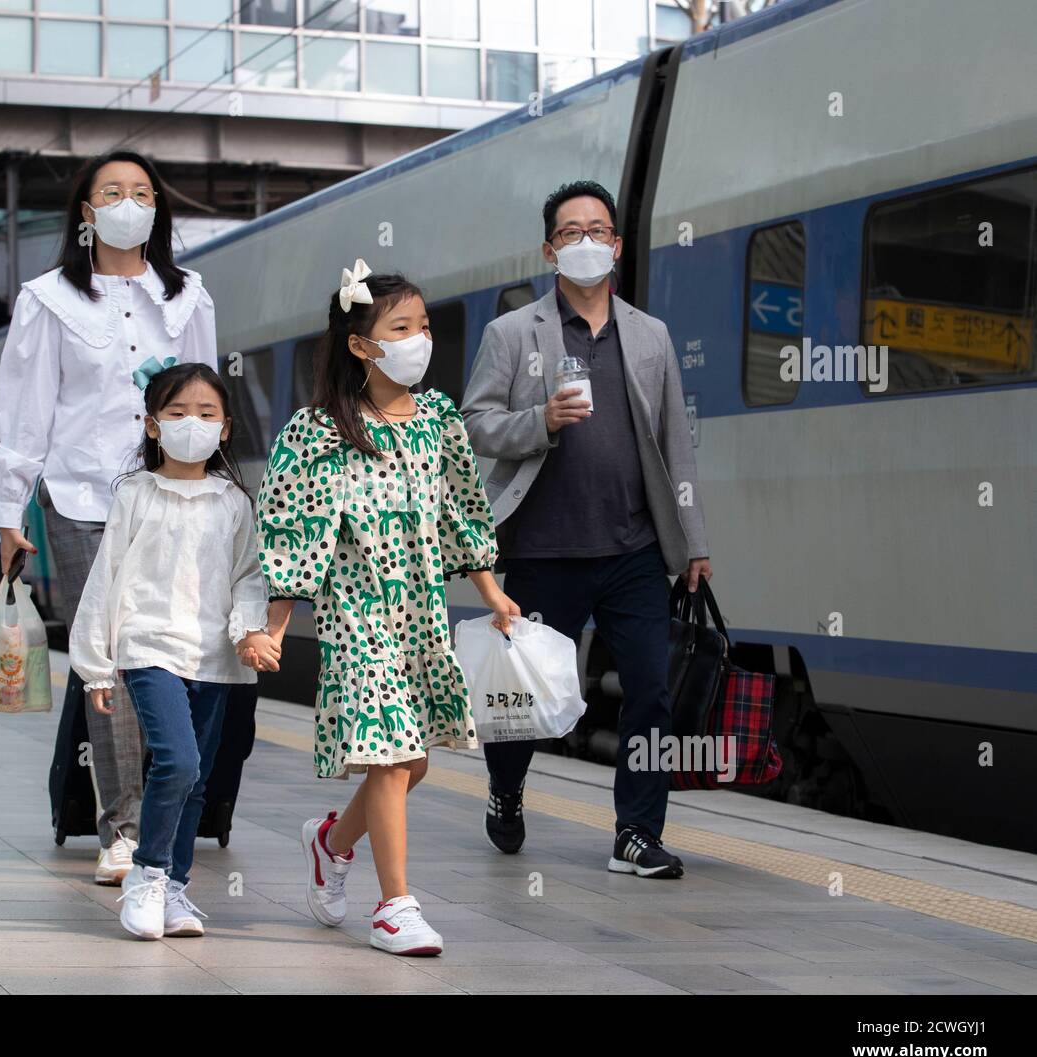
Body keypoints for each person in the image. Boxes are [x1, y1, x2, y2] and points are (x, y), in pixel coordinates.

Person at [256, 261, 518, 956]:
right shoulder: (321, 430)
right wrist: (276, 624)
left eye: (425, 326)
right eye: (401, 328)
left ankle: (329, 842)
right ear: (360, 344)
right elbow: (296, 527)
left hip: (422, 614)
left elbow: (464, 508)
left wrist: (492, 592)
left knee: (408, 763)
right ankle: (395, 906)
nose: (420, 339)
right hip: (360, 614)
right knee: (393, 755)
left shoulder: (438, 419)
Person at [461, 180, 711, 879]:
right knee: (525, 699)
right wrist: (539, 420)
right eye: (570, 232)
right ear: (549, 249)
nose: (586, 242)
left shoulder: (651, 336)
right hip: (545, 548)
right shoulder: (512, 333)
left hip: (634, 549)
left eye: (598, 230)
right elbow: (474, 424)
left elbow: (674, 445)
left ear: (618, 246)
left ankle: (636, 831)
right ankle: (506, 789)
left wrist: (693, 540)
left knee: (650, 689)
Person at [0, 150, 221, 886]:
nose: (129, 203)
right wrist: (7, 510)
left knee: (171, 651)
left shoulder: (189, 300)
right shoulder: (48, 299)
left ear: (158, 208)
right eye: (112, 192)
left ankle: (166, 809)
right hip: (84, 497)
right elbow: (26, 417)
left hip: (173, 501)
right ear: (86, 214)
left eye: (142, 192)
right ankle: (120, 828)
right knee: (115, 657)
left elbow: (208, 406)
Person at [69, 362, 278, 939]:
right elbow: (105, 577)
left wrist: (248, 630)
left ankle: (176, 889)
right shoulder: (135, 493)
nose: (194, 424)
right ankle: (146, 875)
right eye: (178, 413)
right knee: (178, 762)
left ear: (226, 428)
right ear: (153, 426)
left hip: (216, 655)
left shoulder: (234, 502)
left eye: (207, 414)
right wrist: (95, 667)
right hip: (148, 646)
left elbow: (248, 575)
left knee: (198, 779)